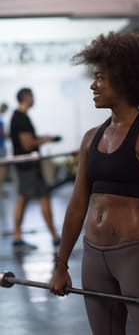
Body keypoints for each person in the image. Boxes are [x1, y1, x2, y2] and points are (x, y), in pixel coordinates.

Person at [49, 31, 139, 334]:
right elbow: (78, 203)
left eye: (100, 78)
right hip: (94, 256)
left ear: (122, 78)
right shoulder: (91, 137)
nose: (93, 86)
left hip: (135, 255)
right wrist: (61, 263)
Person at [10, 88, 61, 250]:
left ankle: (18, 237)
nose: (34, 99)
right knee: (42, 196)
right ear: (26, 97)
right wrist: (44, 140)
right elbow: (27, 144)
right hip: (28, 166)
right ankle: (54, 236)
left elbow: (29, 140)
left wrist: (43, 138)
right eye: (33, 96)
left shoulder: (18, 117)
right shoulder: (21, 118)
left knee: (23, 199)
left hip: (26, 166)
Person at [0, 102, 9, 196]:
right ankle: (1, 189)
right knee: (2, 169)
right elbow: (2, 133)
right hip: (1, 146)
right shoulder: (0, 119)